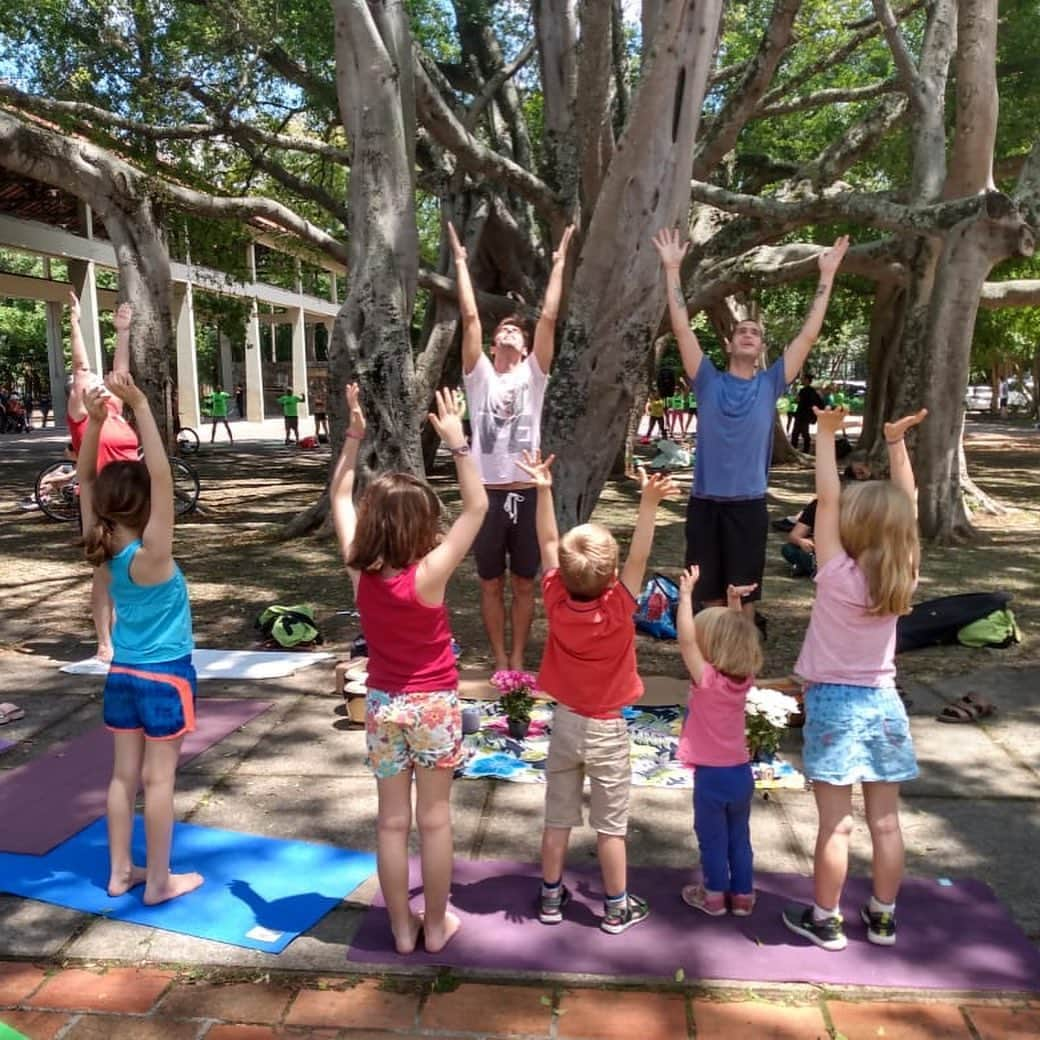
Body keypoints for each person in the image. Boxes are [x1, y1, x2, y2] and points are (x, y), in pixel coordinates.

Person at [331, 383, 487, 955]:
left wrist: (353, 437)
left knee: (391, 824)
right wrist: (458, 445)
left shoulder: (360, 570)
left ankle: (400, 929)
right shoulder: (429, 576)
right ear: (422, 527)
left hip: (382, 707)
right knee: (436, 821)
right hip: (435, 707)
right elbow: (478, 508)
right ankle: (437, 924)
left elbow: (340, 496)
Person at [781, 405, 926, 952]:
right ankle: (883, 917)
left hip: (834, 708)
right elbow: (906, 511)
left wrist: (824, 436)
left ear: (851, 525)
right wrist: (895, 446)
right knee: (886, 824)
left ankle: (825, 919)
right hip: (885, 704)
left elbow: (828, 493)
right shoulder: (902, 573)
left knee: (836, 825)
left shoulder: (835, 570)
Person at [516, 449, 678, 934]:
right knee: (611, 828)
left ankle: (549, 899)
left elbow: (547, 537)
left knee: (557, 818)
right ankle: (615, 907)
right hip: (607, 730)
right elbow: (642, 555)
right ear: (612, 577)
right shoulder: (620, 606)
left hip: (565, 724)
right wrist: (648, 504)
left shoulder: (554, 596)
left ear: (563, 575)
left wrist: (543, 488)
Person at [652, 228, 849, 619]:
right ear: (728, 345)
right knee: (707, 601)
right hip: (705, 505)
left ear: (760, 350)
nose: (747, 334)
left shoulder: (770, 382)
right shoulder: (707, 379)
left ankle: (739, 674)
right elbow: (681, 328)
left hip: (749, 507)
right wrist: (672, 269)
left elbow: (808, 336)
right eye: (741, 330)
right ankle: (710, 674)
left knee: (743, 599)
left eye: (755, 333)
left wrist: (826, 276)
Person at [77, 374, 203, 906]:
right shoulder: (153, 556)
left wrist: (95, 423)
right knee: (158, 783)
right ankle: (157, 881)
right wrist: (143, 406)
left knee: (121, 777)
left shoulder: (100, 546)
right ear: (146, 506)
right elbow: (160, 473)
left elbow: (84, 479)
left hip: (122, 676)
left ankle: (119, 872)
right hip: (165, 679)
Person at [448, 220, 575, 672]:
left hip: (524, 492)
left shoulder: (533, 375)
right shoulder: (479, 375)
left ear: (524, 348)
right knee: (488, 584)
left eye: (516, 332)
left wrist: (559, 266)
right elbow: (468, 316)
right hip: (485, 496)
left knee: (524, 583)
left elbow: (549, 318)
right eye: (503, 328)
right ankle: (500, 659)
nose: (509, 332)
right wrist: (462, 264)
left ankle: (519, 657)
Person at [675, 567, 762, 916]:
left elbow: (685, 641)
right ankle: (743, 896)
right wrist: (734, 604)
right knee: (739, 838)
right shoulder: (745, 679)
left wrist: (684, 598)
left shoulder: (707, 679)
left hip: (711, 778)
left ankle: (712, 895)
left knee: (713, 839)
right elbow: (738, 637)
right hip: (741, 774)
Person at [66, 291, 140, 665]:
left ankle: (128, 633)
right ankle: (104, 642)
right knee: (104, 570)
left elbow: (121, 373)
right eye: (87, 381)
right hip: (99, 498)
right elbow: (81, 366)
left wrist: (123, 332)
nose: (96, 383)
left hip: (131, 496)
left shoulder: (116, 411)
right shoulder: (83, 415)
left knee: (133, 564)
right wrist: (76, 324)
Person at [790, 371, 825, 453]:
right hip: (806, 416)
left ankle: (798, 449)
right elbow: (820, 404)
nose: (802, 380)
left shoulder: (804, 391)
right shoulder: (814, 391)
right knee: (802, 433)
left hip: (802, 415)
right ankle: (804, 450)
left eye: (803, 379)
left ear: (807, 380)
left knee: (797, 433)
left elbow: (799, 401)